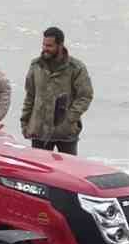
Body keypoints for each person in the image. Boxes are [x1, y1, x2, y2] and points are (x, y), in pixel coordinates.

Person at [20, 26, 94, 154]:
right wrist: (25, 123)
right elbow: (30, 96)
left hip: (66, 133)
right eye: (44, 45)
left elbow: (85, 96)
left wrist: (69, 119)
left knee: (69, 166)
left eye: (49, 46)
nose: (45, 48)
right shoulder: (36, 66)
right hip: (39, 132)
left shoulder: (76, 68)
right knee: (39, 167)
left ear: (60, 45)